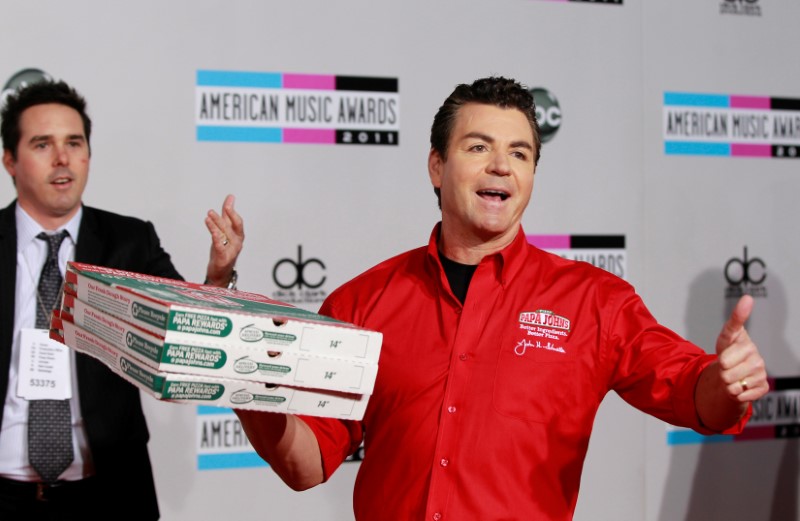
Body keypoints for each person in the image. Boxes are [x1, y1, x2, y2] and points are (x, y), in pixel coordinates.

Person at [236, 77, 768, 520]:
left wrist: (725, 384)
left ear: (532, 174)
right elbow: (305, 464)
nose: (501, 166)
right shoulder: (362, 303)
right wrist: (245, 383)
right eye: (478, 147)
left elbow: (692, 391)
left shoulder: (594, 301)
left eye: (520, 153)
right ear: (437, 167)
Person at [0, 79, 244, 519]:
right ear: (10, 161)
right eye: (42, 144)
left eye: (74, 142)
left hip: (108, 492)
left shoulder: (129, 243)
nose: (62, 158)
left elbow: (189, 334)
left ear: (88, 155)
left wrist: (219, 274)